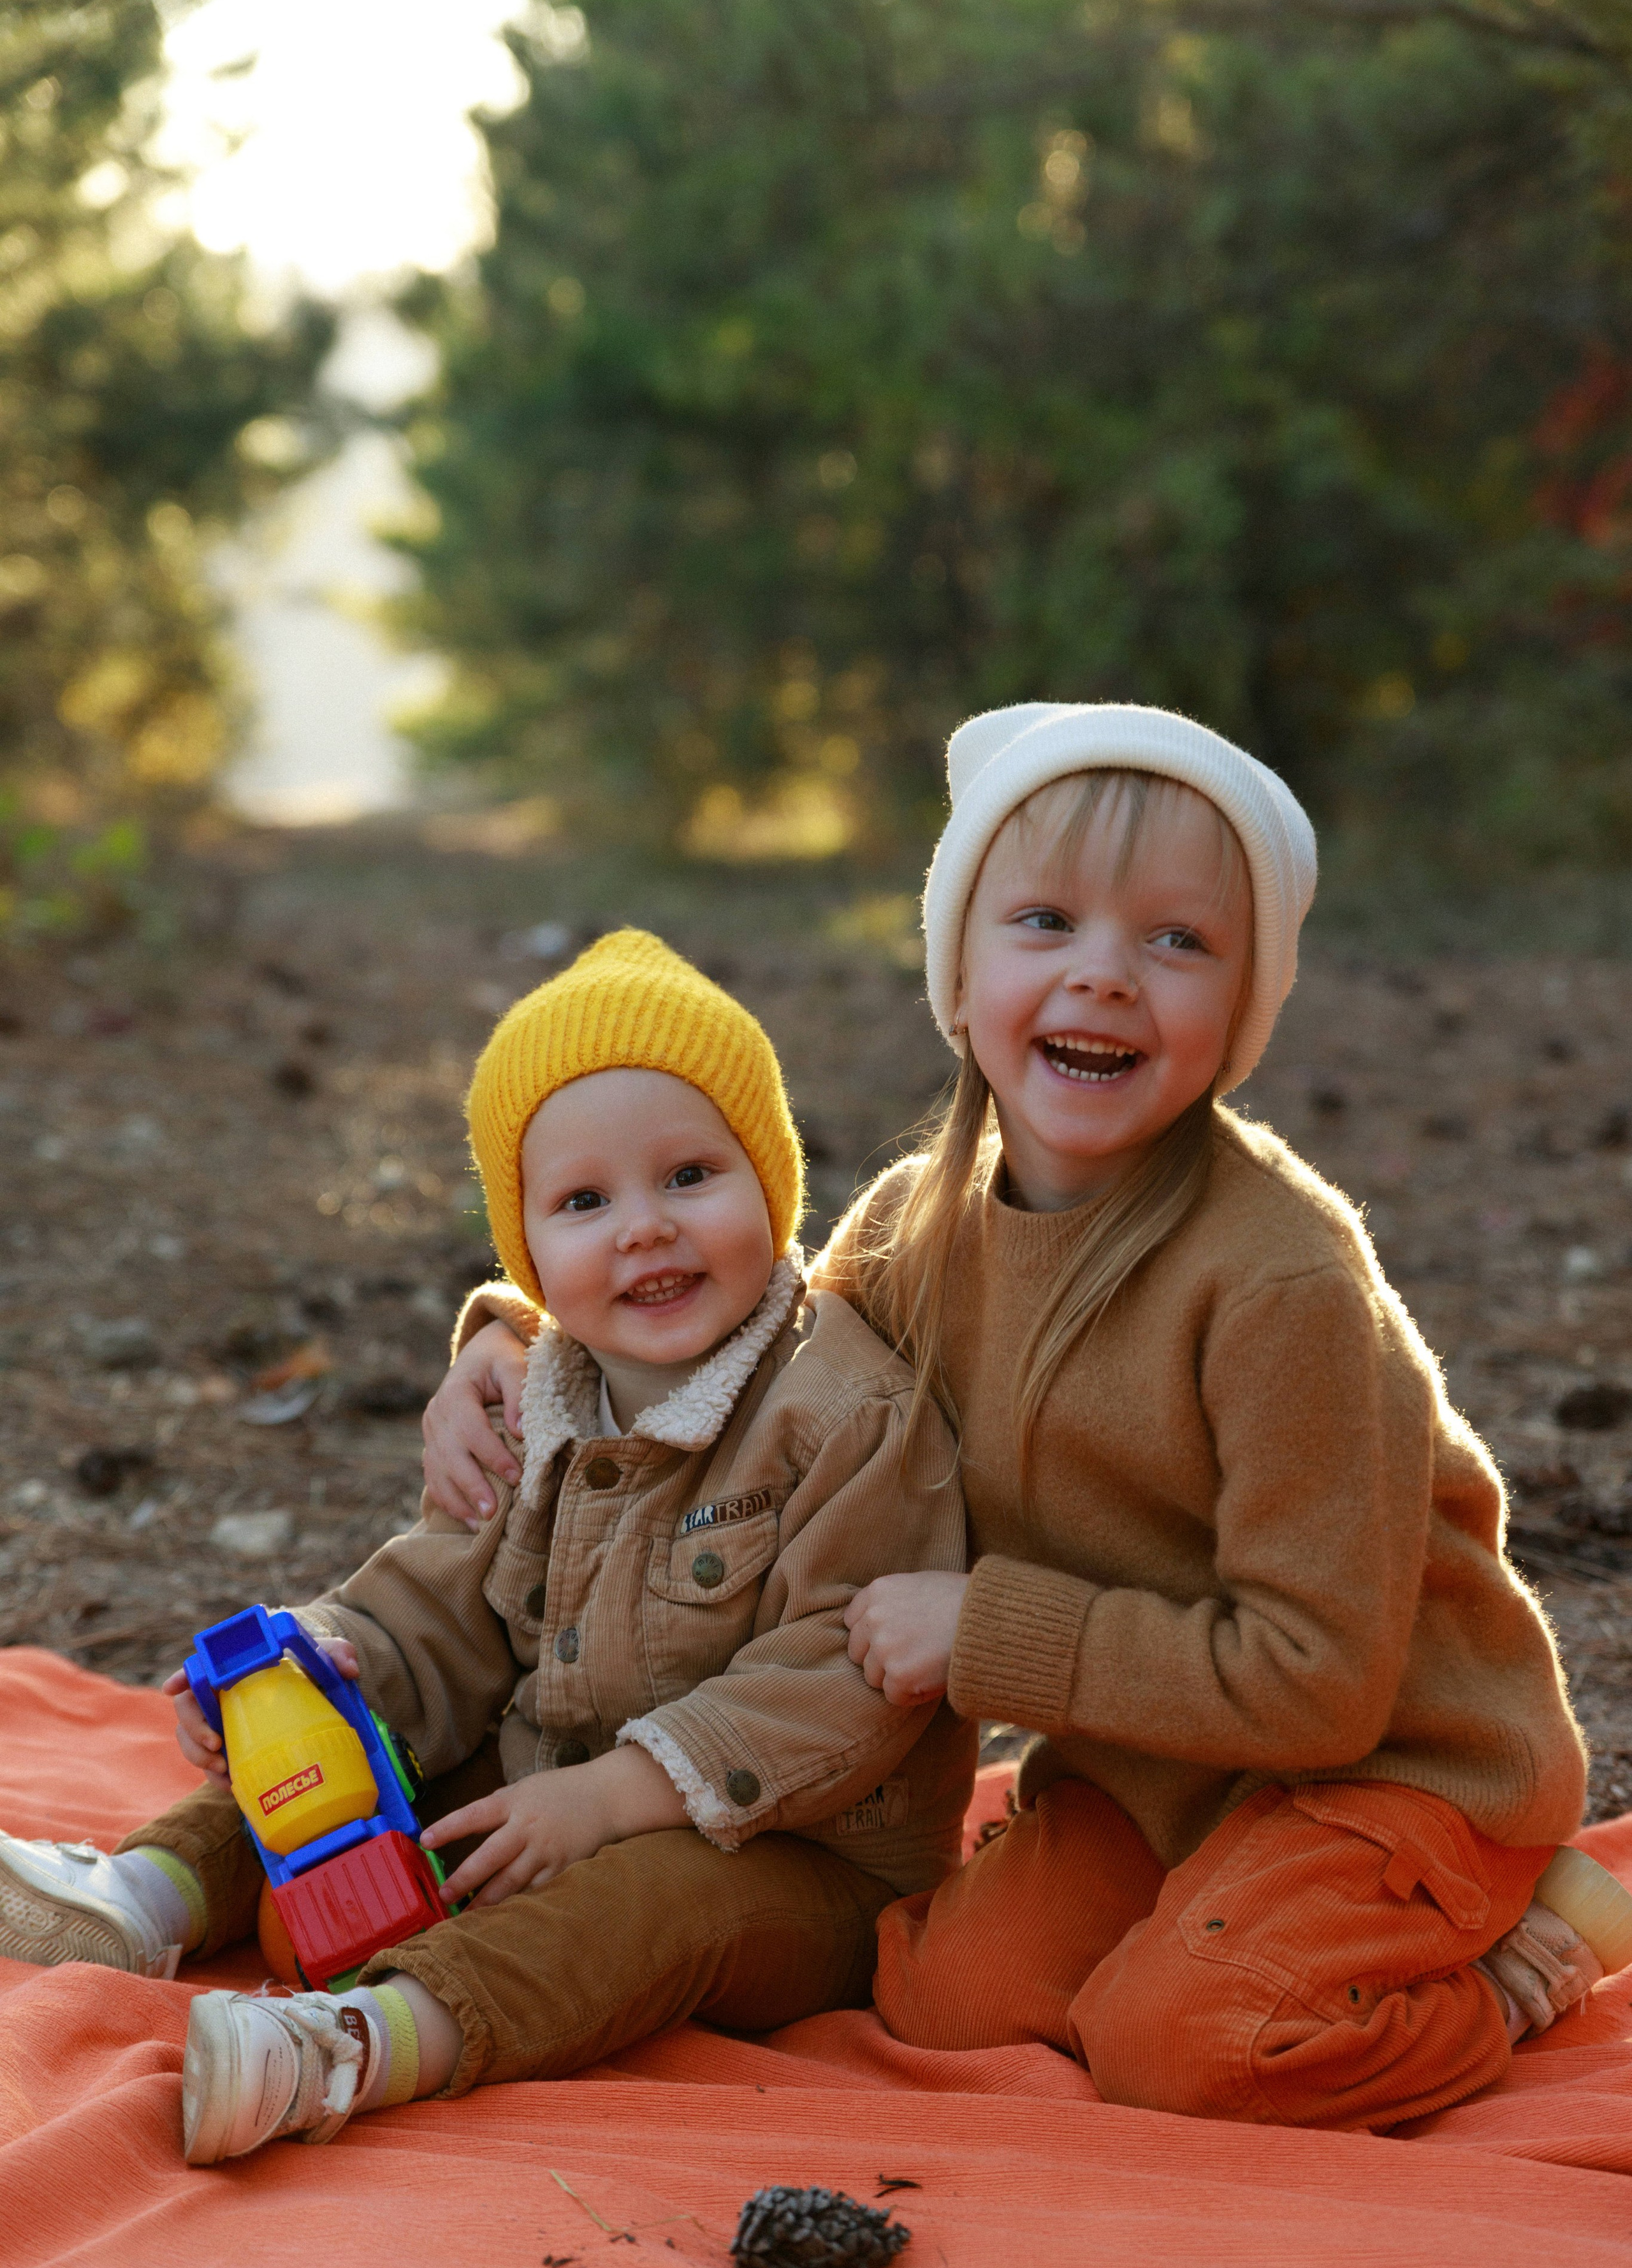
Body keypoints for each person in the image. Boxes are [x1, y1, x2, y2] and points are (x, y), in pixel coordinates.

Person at [426, 703, 1622, 2133]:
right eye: (1044, 920)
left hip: (1386, 1761)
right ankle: (1227, 1916)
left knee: (1184, 2047)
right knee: (936, 1991)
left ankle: (1512, 1957)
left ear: (1243, 1001)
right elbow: (736, 1330)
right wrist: (507, 1332)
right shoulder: (918, 1229)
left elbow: (1318, 1682)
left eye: (1177, 941)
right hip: (1160, 1767)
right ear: (960, 965)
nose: (1104, 977)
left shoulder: (1278, 1281)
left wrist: (979, 1628)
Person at [0, 929, 969, 2163]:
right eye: (584, 1202)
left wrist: (616, 1798)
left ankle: (369, 2042)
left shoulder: (846, 1411)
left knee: (650, 1903)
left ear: (772, 1184)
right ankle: (148, 1898)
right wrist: (315, 1666)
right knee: (357, 1752)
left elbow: (845, 1677)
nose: (645, 1231)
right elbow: (443, 1602)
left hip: (792, 1860)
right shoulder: (550, 1389)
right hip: (550, 1776)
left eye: (689, 1176)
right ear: (525, 1251)